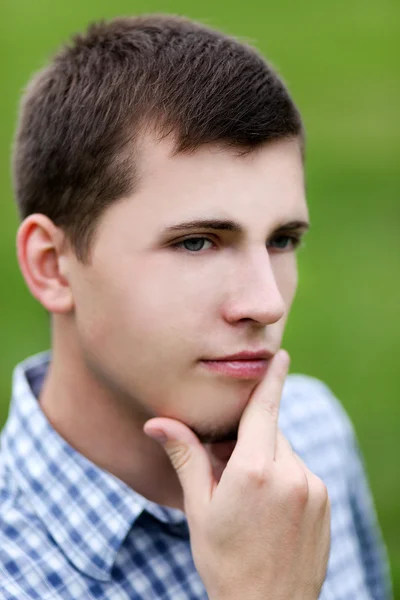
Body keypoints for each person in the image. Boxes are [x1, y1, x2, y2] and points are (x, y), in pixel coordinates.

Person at [0, 14, 391, 600]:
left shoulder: (314, 435)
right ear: (53, 265)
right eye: (196, 242)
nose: (265, 302)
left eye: (282, 239)